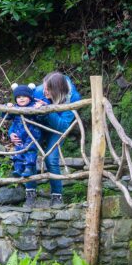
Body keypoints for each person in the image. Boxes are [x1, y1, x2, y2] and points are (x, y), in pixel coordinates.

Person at [29, 71, 81, 207]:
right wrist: (14, 132)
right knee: (29, 152)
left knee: (51, 158)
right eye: (44, 88)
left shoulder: (73, 98)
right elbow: (23, 108)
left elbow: (63, 125)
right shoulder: (38, 91)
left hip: (57, 128)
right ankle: (30, 193)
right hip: (38, 125)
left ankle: (57, 196)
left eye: (48, 90)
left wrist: (46, 110)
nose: (44, 92)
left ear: (58, 90)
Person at [4, 83, 43, 208]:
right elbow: (5, 115)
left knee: (30, 153)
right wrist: (7, 106)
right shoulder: (15, 108)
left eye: (24, 96)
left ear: (30, 98)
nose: (21, 99)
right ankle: (18, 168)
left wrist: (40, 107)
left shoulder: (34, 106)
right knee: (18, 152)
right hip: (19, 137)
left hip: (32, 136)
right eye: (18, 97)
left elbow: (43, 115)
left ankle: (27, 169)